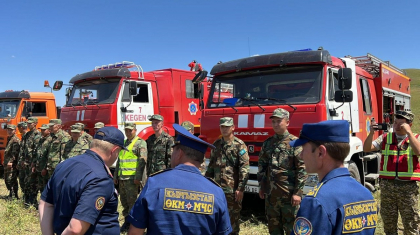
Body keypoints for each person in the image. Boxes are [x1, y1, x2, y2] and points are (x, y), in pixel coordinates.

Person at [127, 124, 232, 235]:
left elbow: (135, 232)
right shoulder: (216, 192)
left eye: (174, 151)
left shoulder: (154, 183)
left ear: (179, 154)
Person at [290, 120, 377, 234]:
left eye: (303, 149)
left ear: (320, 152)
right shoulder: (366, 194)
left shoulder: (316, 202)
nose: (300, 155)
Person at [39, 127, 125, 235]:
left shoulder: (64, 165)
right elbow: (75, 229)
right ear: (114, 151)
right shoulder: (100, 178)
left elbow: (45, 204)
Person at [363, 110, 419, 235]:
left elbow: (419, 151)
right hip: (388, 187)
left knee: (411, 224)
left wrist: (409, 133)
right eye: (395, 123)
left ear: (410, 125)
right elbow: (367, 148)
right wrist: (371, 132)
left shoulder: (416, 138)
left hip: (408, 188)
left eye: (401, 124)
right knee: (389, 224)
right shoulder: (385, 138)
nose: (397, 126)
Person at [257, 108, 307, 234]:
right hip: (271, 197)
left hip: (289, 196)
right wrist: (262, 186)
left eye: (279, 121)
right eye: (273, 121)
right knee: (274, 229)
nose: (275, 124)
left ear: (287, 122)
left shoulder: (294, 143)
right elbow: (262, 167)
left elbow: (302, 169)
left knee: (292, 229)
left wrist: (298, 193)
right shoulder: (268, 143)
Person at [205, 117, 250, 235]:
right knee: (217, 219)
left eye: (227, 126)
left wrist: (240, 189)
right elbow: (211, 166)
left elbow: (244, 169)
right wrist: (206, 184)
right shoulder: (216, 144)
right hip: (217, 189)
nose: (224, 129)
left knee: (232, 221)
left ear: (233, 128)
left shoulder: (239, 145)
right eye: (222, 127)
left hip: (232, 190)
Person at [114, 123, 147, 232]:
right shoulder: (123, 143)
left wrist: (138, 177)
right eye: (126, 130)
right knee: (124, 202)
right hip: (122, 178)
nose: (128, 133)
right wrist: (116, 176)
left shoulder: (140, 143)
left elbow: (142, 161)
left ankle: (132, 224)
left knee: (132, 202)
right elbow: (119, 161)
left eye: (130, 131)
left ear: (135, 130)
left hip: (132, 179)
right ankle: (127, 221)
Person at [18, 118, 40, 206]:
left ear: (35, 124)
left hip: (32, 162)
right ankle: (27, 199)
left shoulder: (37, 134)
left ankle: (33, 201)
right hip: (26, 162)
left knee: (33, 182)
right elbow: (23, 149)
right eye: (28, 123)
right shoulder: (26, 135)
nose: (28, 125)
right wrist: (22, 160)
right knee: (25, 181)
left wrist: (34, 163)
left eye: (30, 123)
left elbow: (37, 150)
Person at [3, 124, 20, 199]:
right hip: (7, 162)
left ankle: (14, 195)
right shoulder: (9, 139)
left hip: (11, 163)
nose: (9, 131)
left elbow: (15, 153)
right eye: (8, 130)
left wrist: (11, 162)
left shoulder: (15, 140)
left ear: (15, 131)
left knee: (11, 179)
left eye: (11, 130)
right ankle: (11, 194)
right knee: (7, 179)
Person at [33, 124, 51, 194]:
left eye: (44, 130)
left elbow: (48, 156)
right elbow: (37, 152)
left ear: (49, 130)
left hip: (45, 167)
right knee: (40, 186)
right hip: (39, 166)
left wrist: (45, 168)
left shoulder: (50, 140)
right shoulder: (41, 139)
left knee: (46, 186)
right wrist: (34, 164)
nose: (42, 131)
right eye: (41, 130)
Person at [16, 121, 28, 195]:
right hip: (22, 162)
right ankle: (25, 195)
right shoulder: (23, 136)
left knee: (25, 180)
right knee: (21, 180)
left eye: (18, 128)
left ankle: (27, 196)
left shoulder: (27, 136)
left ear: (21, 128)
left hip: (26, 163)